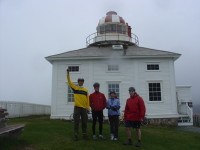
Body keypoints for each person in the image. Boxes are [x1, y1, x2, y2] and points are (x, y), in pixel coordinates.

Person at [67, 69, 90, 141]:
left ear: (83, 82)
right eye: (80, 81)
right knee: (76, 122)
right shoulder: (75, 88)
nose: (81, 82)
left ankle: (84, 135)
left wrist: (88, 108)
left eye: (82, 81)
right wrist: (68, 73)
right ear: (78, 82)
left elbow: (87, 100)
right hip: (77, 108)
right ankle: (76, 135)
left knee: (84, 122)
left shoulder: (86, 90)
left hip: (84, 108)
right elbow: (69, 82)